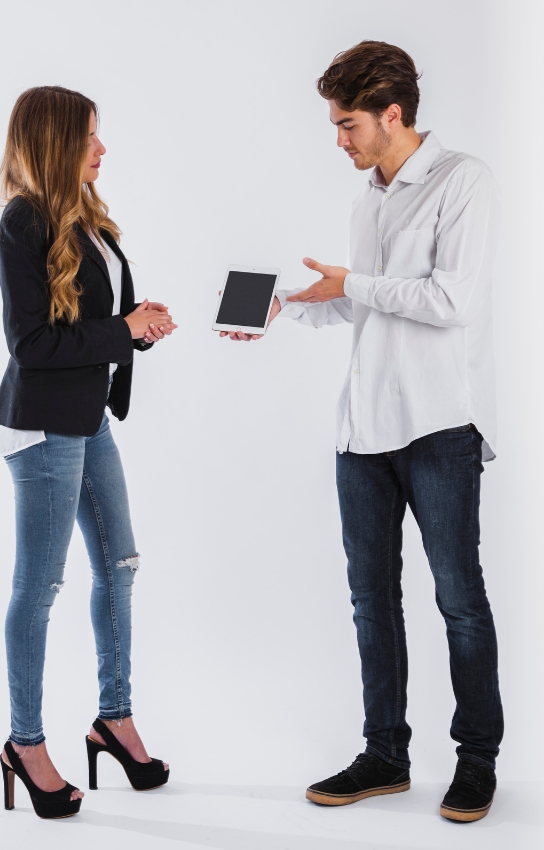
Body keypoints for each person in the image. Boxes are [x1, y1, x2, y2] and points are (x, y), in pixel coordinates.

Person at [222, 41, 503, 823]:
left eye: (348, 124)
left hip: (439, 424)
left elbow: (450, 301)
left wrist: (357, 284)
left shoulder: (463, 181)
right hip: (364, 429)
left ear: (392, 113)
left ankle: (477, 760)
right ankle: (385, 754)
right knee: (370, 600)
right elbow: (367, 303)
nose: (339, 140)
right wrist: (290, 305)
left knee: (459, 598)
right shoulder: (367, 199)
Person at [0, 86, 176, 819]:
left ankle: (114, 719)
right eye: (90, 136)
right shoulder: (22, 221)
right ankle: (25, 743)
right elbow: (31, 345)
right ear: (56, 142)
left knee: (119, 565)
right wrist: (120, 331)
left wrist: (138, 327)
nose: (102, 148)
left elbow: (92, 322)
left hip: (87, 416)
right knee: (39, 588)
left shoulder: (84, 216)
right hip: (42, 425)